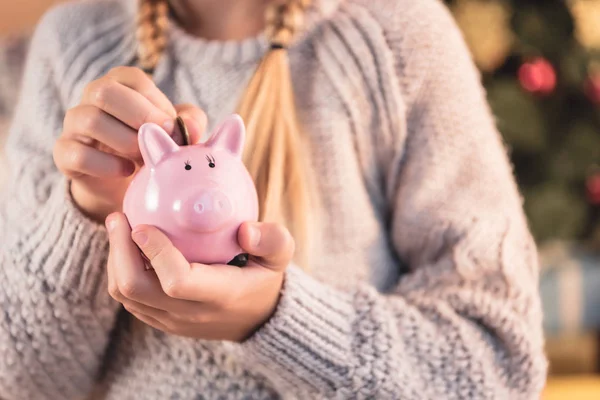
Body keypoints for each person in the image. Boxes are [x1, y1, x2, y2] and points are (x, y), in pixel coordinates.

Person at [0, 0, 548, 398]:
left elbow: (498, 365)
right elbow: (22, 380)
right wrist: (87, 208)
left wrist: (274, 318)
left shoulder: (399, 35)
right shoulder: (72, 43)